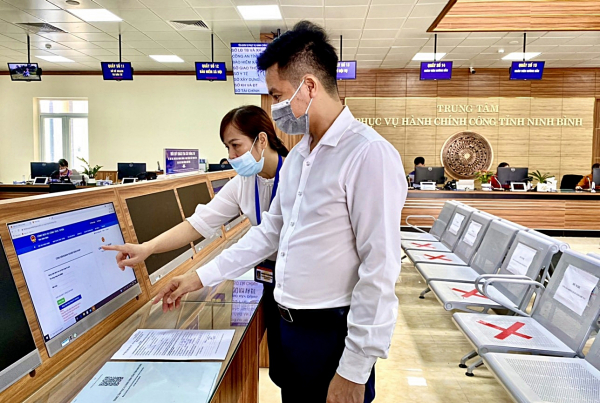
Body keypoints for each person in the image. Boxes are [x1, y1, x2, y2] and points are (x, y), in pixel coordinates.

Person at [148, 21, 407, 403]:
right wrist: (198, 277)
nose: (275, 108)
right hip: (290, 329)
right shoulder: (301, 156)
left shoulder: (368, 154)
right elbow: (270, 232)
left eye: (277, 95)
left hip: (331, 333)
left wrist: (355, 368)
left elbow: (380, 267)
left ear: (310, 86)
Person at [102, 105, 289, 385]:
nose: (231, 156)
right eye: (227, 147)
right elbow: (198, 223)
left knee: (301, 369)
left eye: (236, 145)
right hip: (268, 276)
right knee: (283, 370)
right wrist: (148, 248)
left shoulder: (294, 177)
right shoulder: (244, 182)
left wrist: (198, 277)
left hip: (297, 281)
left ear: (261, 140)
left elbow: (264, 239)